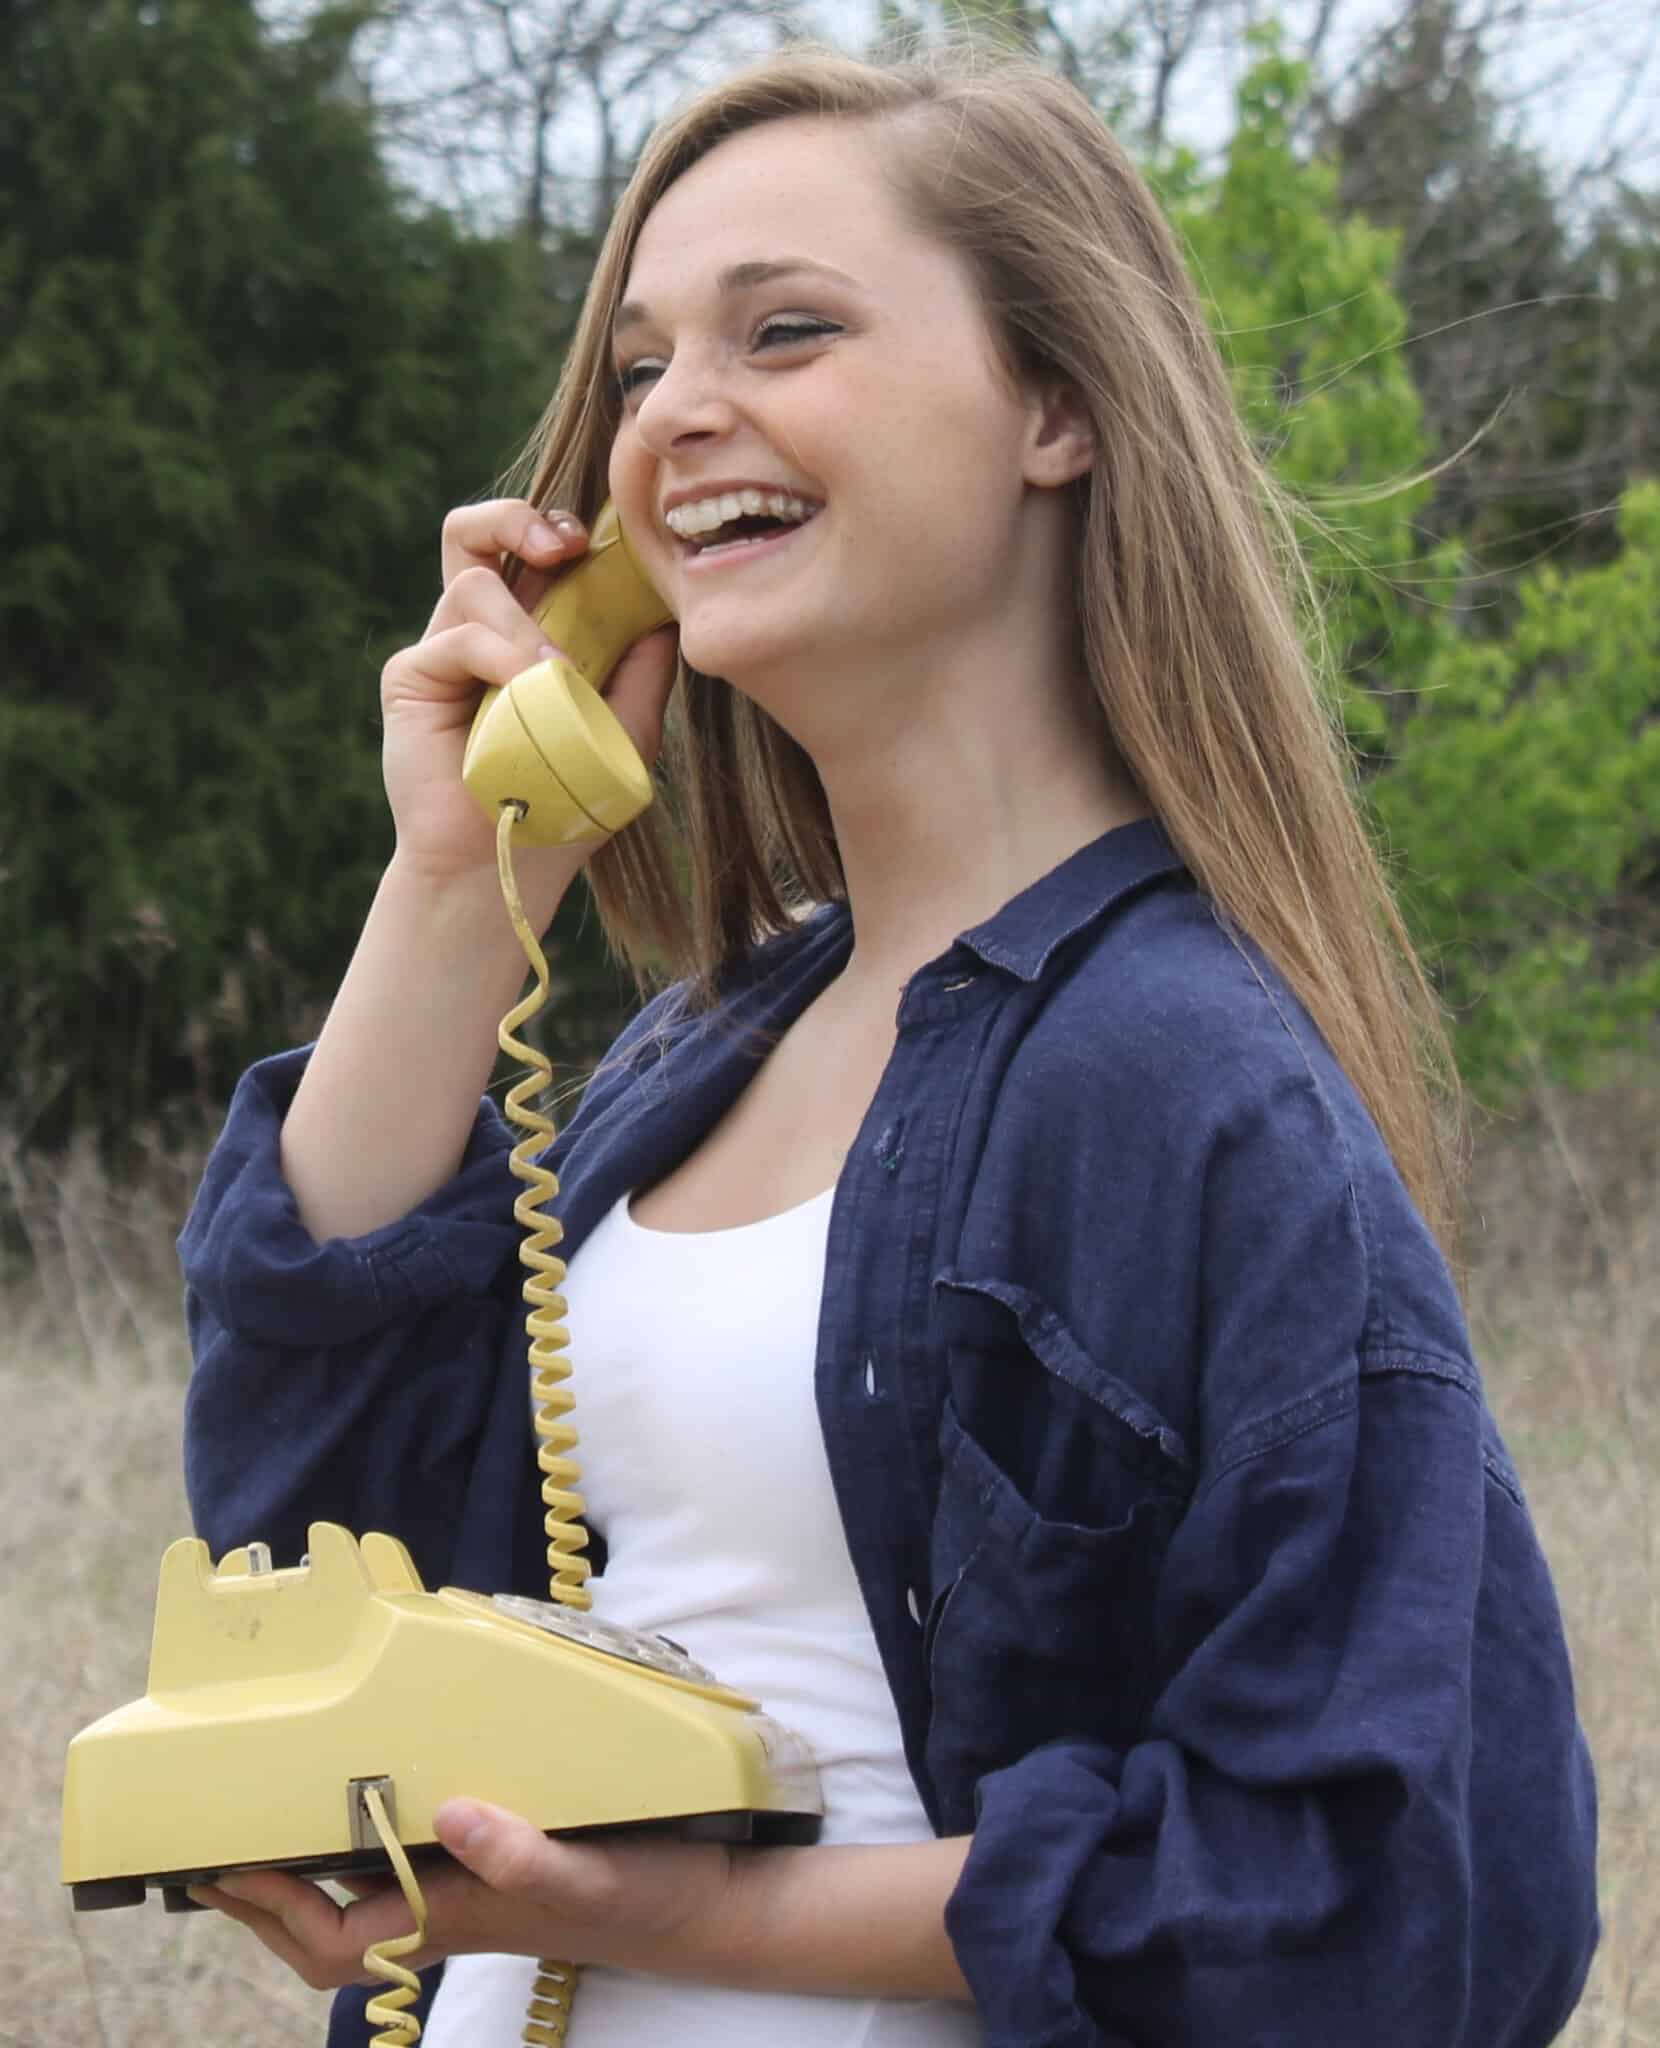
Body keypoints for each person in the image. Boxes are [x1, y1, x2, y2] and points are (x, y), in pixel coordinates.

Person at [177, 37, 1599, 2048]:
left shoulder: (1181, 1085)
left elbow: (1398, 1889)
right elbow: (300, 1549)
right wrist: (452, 883)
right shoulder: (689, 1061)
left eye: (785, 328)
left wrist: (702, 1912)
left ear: (1054, 404)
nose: (677, 416)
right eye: (645, 361)